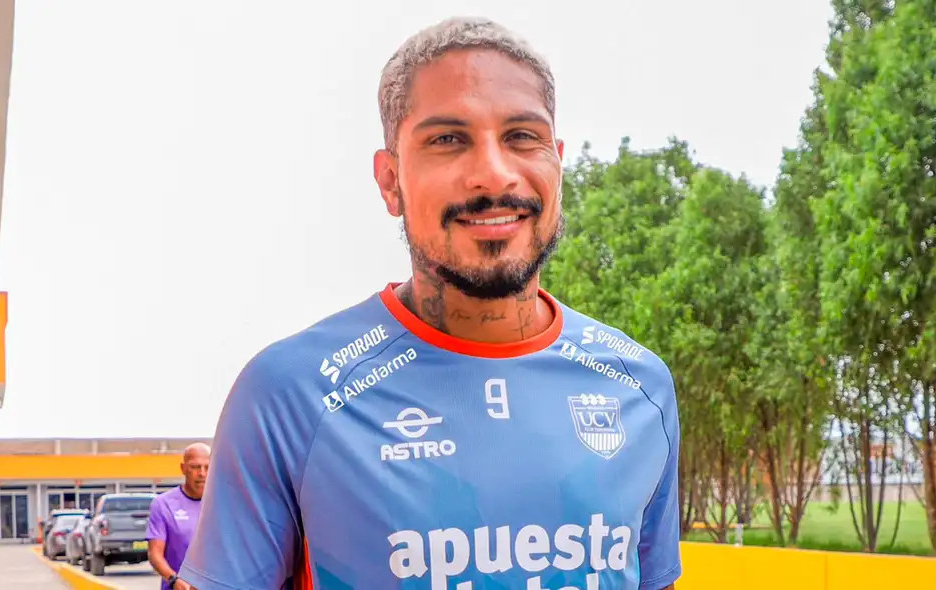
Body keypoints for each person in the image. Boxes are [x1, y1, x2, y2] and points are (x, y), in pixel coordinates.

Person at [179, 16, 681, 590]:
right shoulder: (290, 393)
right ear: (390, 181)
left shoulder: (640, 385)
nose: (494, 173)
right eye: (448, 139)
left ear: (557, 163)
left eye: (522, 136)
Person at [146, 443, 210, 590]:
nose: (202, 473)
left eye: (207, 467)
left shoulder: (223, 504)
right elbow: (155, 554)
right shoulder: (163, 504)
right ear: (183, 468)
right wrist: (173, 579)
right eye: (195, 467)